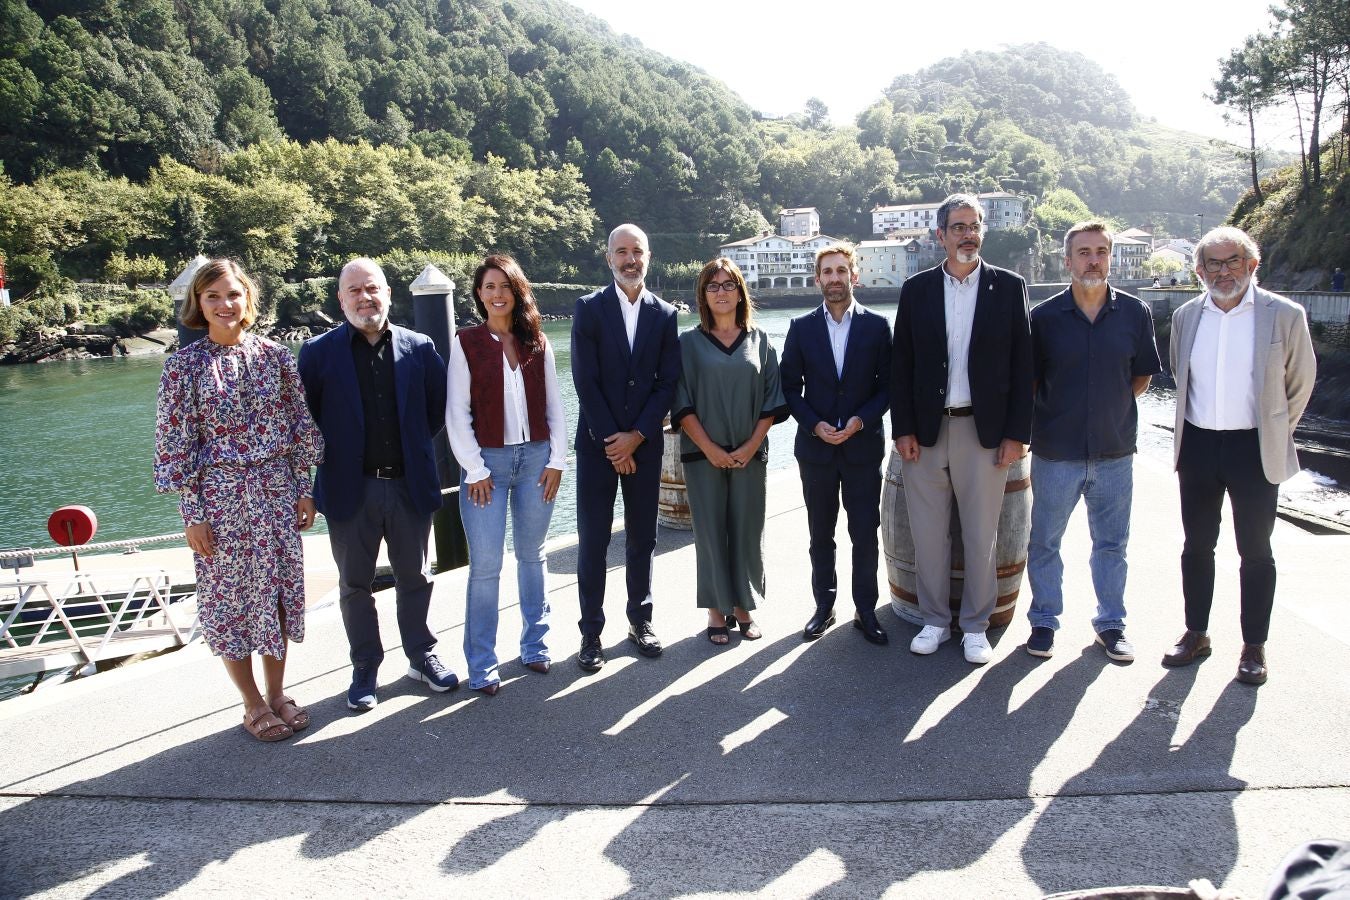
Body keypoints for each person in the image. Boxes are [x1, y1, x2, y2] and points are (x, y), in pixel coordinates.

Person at [154, 259, 324, 742]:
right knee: (232, 603)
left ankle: (277, 693)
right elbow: (176, 445)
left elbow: (298, 429)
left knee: (276, 597)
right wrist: (193, 515)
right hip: (222, 500)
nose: (225, 305)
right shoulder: (182, 366)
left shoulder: (275, 357)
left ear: (247, 298)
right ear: (199, 305)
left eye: (232, 294)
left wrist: (305, 487)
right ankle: (251, 703)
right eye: (213, 297)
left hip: (275, 494)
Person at [298, 258, 458, 711]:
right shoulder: (317, 354)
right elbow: (304, 424)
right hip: (351, 490)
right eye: (354, 291)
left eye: (373, 289)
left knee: (415, 576)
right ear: (340, 299)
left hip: (409, 486)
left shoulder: (420, 347)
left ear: (388, 293)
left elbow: (434, 413)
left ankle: (421, 654)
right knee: (355, 584)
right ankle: (365, 664)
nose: (365, 298)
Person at [1165, 226, 1315, 685]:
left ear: (1252, 265)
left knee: (1255, 552)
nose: (1224, 270)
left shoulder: (1284, 315)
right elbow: (1178, 371)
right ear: (1199, 270)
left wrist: (1273, 431)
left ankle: (1254, 645)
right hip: (1198, 445)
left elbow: (1300, 382)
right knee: (1196, 546)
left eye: (1233, 261)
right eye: (1213, 262)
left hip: (1254, 448)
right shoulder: (1187, 316)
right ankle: (1197, 633)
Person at [891, 193, 1033, 665]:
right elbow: (902, 365)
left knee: (981, 533)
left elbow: (1024, 366)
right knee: (929, 534)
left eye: (974, 225)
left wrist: (1016, 434)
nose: (968, 234)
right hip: (927, 433)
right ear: (941, 235)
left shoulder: (1009, 288)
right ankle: (935, 621)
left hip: (984, 431)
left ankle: (975, 626)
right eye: (958, 226)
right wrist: (903, 428)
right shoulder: (916, 290)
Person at [1024, 221, 1162, 661]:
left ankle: (1111, 624)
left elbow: (1139, 378)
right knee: (1045, 542)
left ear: (1110, 258)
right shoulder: (1042, 318)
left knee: (1112, 544)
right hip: (1055, 453)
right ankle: (1044, 621)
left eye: (1101, 251)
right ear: (1067, 261)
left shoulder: (1135, 313)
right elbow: (1030, 383)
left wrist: (1106, 406)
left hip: (1114, 452)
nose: (1093, 259)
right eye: (1083, 252)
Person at [446, 255, 567, 694]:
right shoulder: (466, 342)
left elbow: (555, 407)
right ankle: (482, 663)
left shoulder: (537, 342)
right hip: (488, 466)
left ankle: (536, 646)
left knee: (533, 556)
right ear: (479, 294)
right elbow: (456, 413)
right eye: (488, 287)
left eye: (505, 286)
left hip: (537, 460)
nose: (497, 294)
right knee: (486, 566)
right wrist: (474, 468)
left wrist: (557, 461)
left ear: (518, 291)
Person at [570, 224, 681, 671]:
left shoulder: (665, 313)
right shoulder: (589, 309)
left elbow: (667, 382)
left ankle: (641, 621)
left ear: (648, 256)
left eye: (637, 251)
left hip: (645, 443)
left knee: (642, 538)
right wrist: (613, 441)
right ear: (608, 257)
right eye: (622, 252)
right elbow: (585, 380)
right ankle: (591, 634)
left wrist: (637, 434)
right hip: (598, 445)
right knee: (593, 542)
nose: (630, 259)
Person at [780, 242, 893, 646]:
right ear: (818, 280)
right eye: (827, 272)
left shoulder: (878, 327)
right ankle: (823, 607)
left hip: (863, 449)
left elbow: (888, 388)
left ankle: (865, 611)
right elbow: (790, 389)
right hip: (817, 451)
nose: (834, 279)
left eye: (841, 271)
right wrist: (814, 425)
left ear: (854, 276)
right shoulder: (801, 328)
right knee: (820, 533)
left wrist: (862, 420)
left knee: (865, 533)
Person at [671, 258, 787, 644]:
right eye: (712, 286)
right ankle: (715, 610)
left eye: (728, 284)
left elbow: (772, 401)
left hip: (751, 456)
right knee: (710, 534)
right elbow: (681, 403)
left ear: (740, 291)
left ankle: (743, 606)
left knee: (746, 531)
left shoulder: (761, 340)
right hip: (701, 457)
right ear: (703, 295)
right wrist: (711, 450)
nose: (721, 292)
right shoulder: (687, 343)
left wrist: (751, 445)